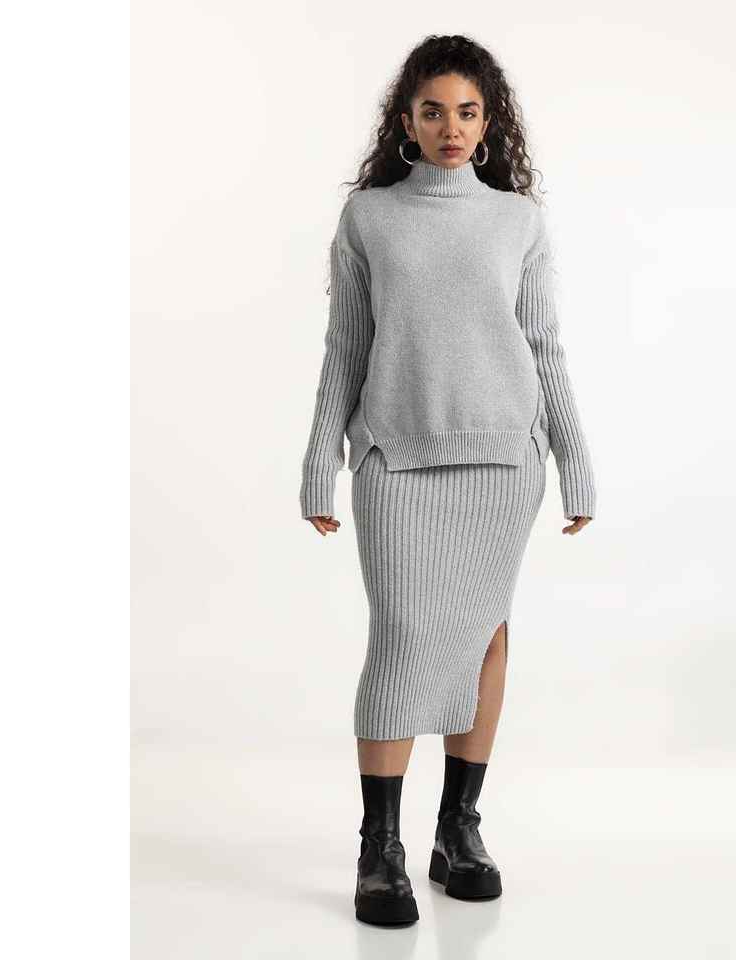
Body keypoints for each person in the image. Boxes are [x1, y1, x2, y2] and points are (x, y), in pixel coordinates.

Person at [299, 35, 597, 926]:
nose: (452, 127)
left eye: (468, 112)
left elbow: (544, 346)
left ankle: (457, 831)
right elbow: (345, 347)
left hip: (505, 461)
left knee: (484, 638)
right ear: (407, 120)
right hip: (398, 456)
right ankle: (378, 847)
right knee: (400, 638)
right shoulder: (370, 218)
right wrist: (320, 462)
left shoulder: (518, 221)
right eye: (434, 111)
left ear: (489, 120)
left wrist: (576, 462)